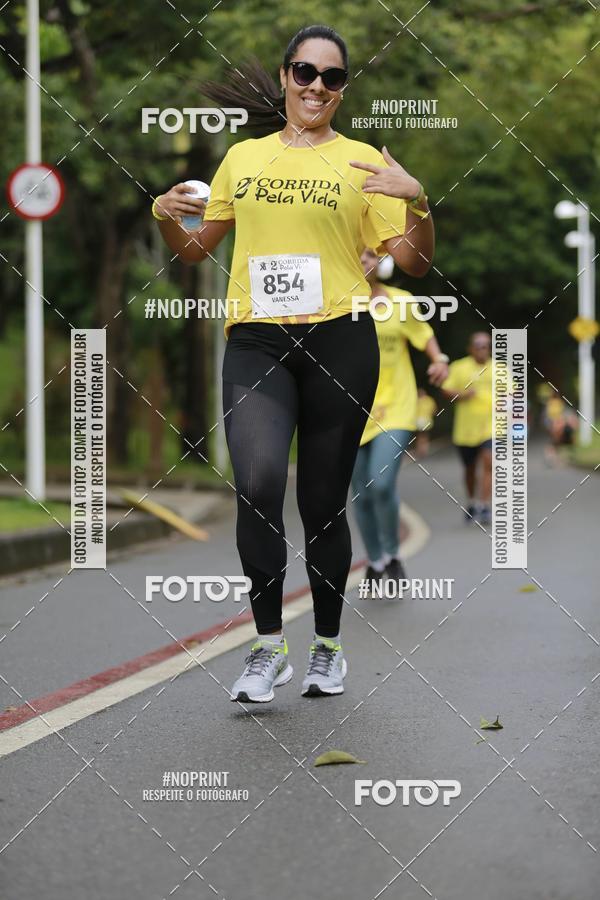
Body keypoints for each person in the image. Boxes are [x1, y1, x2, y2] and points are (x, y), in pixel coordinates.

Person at [153, 25, 434, 702]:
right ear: (285, 77)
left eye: (332, 78)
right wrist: (163, 215)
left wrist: (419, 200)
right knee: (255, 482)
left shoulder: (366, 162)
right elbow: (194, 251)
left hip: (340, 340)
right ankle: (268, 647)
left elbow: (416, 263)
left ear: (342, 90)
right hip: (258, 342)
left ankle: (329, 649)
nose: (316, 86)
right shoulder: (242, 159)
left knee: (323, 504)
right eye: (305, 72)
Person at [350, 248, 448, 592]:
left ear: (381, 263)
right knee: (360, 495)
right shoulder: (335, 303)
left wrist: (439, 360)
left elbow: (425, 337)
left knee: (380, 484)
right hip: (350, 410)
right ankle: (375, 562)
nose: (364, 262)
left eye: (369, 256)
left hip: (397, 406)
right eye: (358, 256)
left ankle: (393, 553)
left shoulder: (400, 301)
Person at [440, 332, 493, 525]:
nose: (483, 349)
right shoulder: (459, 367)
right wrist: (463, 394)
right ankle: (471, 501)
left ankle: (485, 505)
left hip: (491, 426)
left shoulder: (499, 368)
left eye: (486, 345)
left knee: (489, 463)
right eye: (478, 345)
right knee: (470, 468)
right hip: (466, 429)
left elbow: (512, 392)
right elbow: (445, 390)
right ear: (471, 348)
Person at [415, 388, 437, 458]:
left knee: (420, 435)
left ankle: (420, 449)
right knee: (425, 435)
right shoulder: (430, 400)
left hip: (419, 420)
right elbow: (434, 410)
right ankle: (424, 449)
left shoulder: (417, 401)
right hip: (426, 420)